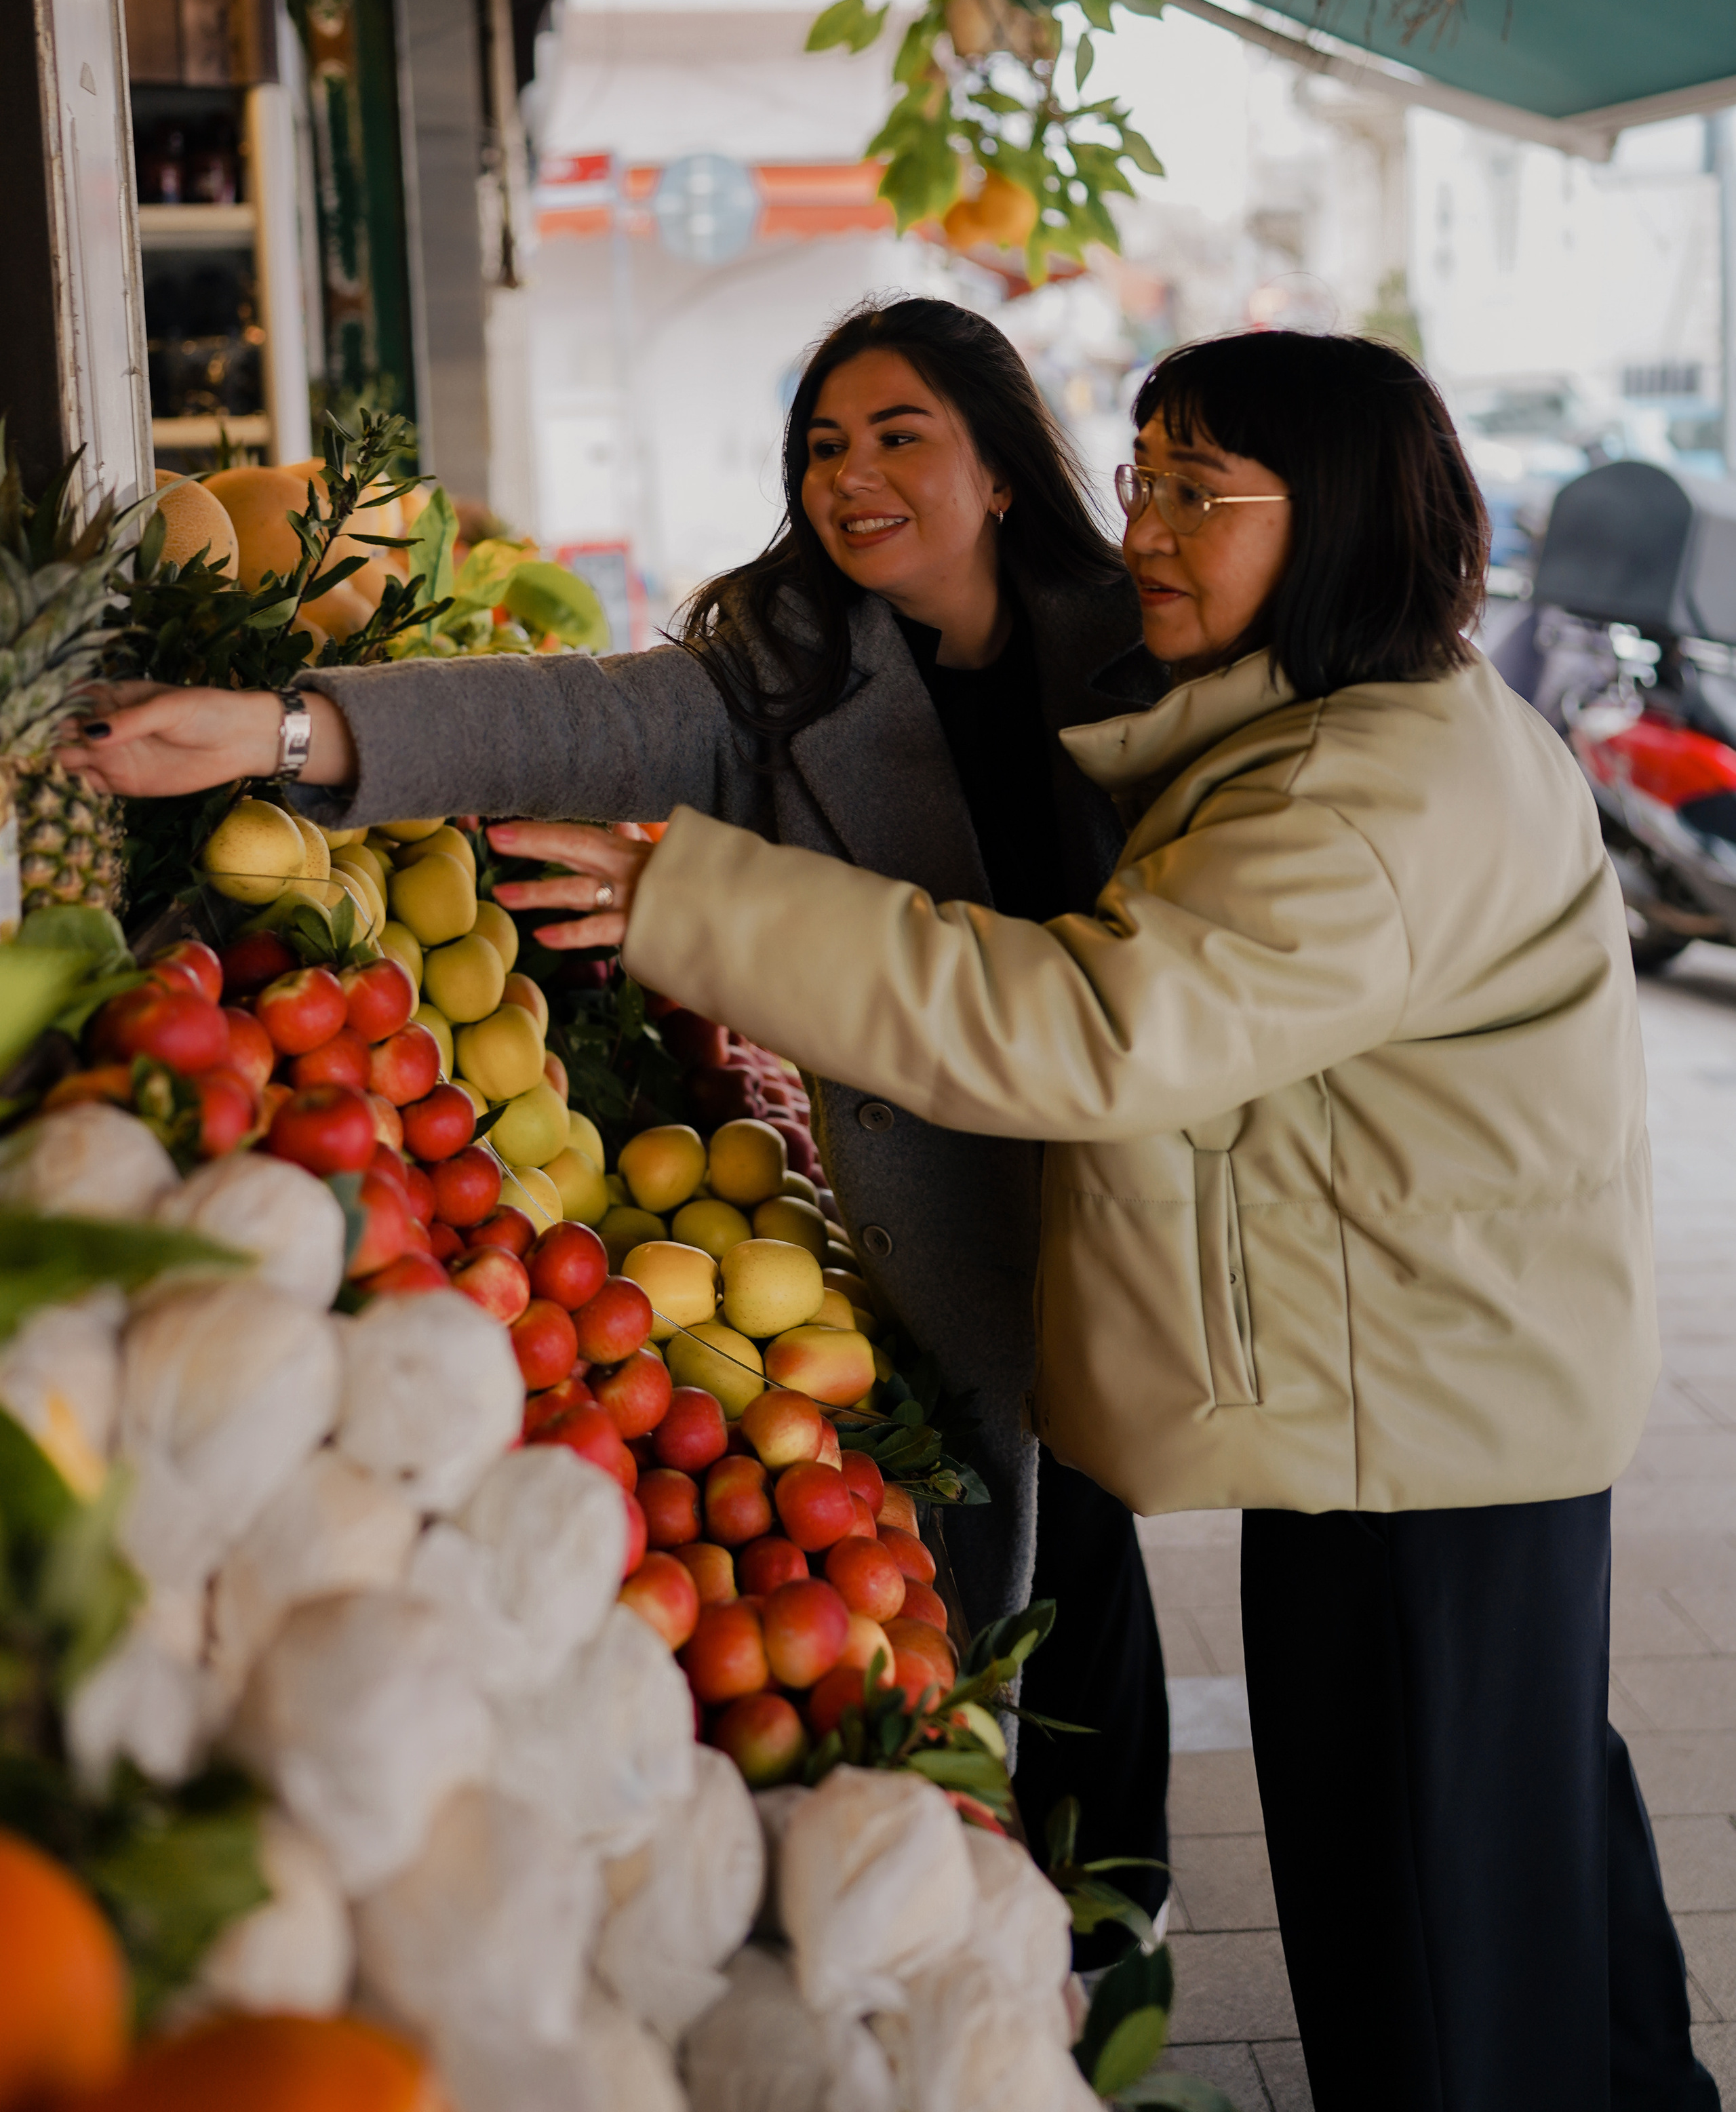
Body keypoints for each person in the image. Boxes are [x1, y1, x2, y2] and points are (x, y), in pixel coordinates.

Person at [441, 329, 1716, 2112]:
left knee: (1429, 1942)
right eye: (1147, 479)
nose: (1152, 532)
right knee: (1534, 1879)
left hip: (1427, 1444)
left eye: (1203, 490)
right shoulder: (1353, 725)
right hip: (1451, 1407)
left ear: (1337, 519)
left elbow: (1093, 1027)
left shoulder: (1363, 794)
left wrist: (695, 901)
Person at [65, 295, 1172, 1942]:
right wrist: (287, 730)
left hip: (1137, 1191)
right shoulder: (789, 677)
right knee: (1017, 1531)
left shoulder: (1143, 658)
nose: (851, 476)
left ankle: (1121, 1884)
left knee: (1094, 1531)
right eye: (821, 445)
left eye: (898, 437)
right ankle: (1050, 1907)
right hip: (949, 1211)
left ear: (1002, 470)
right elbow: (570, 717)